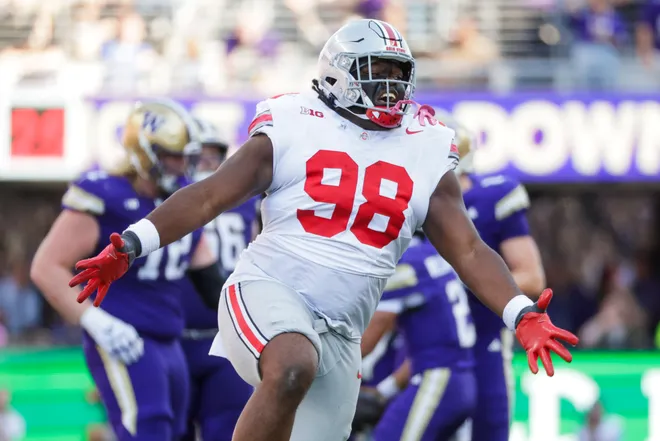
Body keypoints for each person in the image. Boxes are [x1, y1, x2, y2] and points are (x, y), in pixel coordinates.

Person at [67, 19, 578, 441]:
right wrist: (132, 244)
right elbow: (208, 195)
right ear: (339, 73)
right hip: (266, 290)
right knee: (291, 365)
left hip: (340, 329)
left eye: (399, 74)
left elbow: (467, 247)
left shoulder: (426, 145)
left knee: (308, 392)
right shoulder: (293, 121)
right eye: (376, 71)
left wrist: (522, 313)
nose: (391, 86)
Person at [31, 99, 225, 441]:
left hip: (170, 338)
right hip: (124, 337)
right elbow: (46, 267)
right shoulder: (106, 195)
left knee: (176, 433)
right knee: (146, 430)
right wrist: (95, 321)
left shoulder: (182, 198)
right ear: (144, 153)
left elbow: (212, 284)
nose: (182, 166)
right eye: (173, 155)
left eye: (186, 156)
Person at [449, 115, 547, 441]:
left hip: (482, 343)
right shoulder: (402, 198)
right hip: (418, 344)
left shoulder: (491, 196)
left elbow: (531, 278)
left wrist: (455, 285)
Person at [358, 233, 477, 440]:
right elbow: (432, 346)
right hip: (460, 380)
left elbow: (365, 343)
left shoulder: (406, 264)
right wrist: (384, 391)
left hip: (436, 381)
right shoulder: (434, 255)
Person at [180, 118, 255, 441]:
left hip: (225, 337)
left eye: (214, 156)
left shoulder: (249, 202)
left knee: (227, 430)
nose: (207, 165)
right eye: (200, 156)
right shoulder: (168, 202)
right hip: (175, 337)